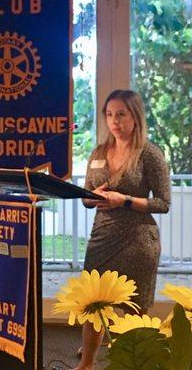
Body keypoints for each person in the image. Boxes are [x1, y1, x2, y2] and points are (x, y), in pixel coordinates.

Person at [74, 89, 171, 370]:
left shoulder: (150, 154)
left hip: (138, 241)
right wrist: (92, 197)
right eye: (109, 114)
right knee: (93, 305)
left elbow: (163, 203)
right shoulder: (99, 152)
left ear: (135, 117)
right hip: (102, 238)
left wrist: (125, 200)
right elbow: (85, 195)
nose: (114, 121)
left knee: (133, 310)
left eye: (121, 114)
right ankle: (88, 364)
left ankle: (132, 362)